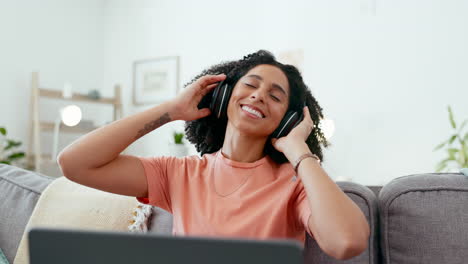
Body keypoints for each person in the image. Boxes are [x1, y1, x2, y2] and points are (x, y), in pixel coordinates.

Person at [58, 50, 369, 260]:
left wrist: (298, 149)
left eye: (275, 96)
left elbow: (347, 242)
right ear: (223, 96)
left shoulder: (295, 184)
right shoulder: (178, 173)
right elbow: (75, 163)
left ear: (287, 121)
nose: (259, 95)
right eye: (251, 85)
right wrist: (171, 111)